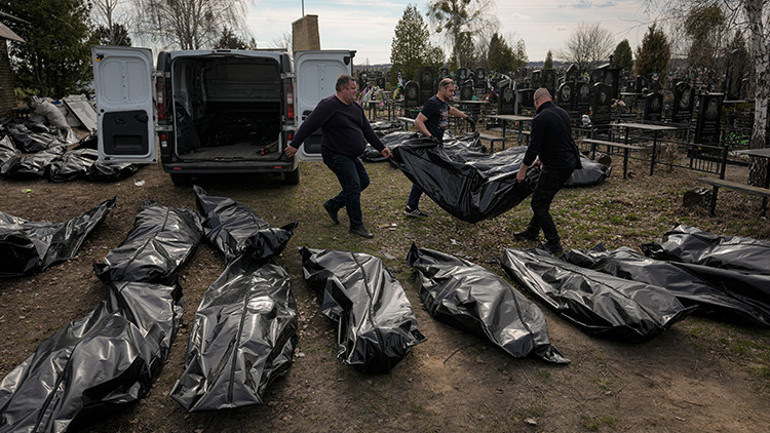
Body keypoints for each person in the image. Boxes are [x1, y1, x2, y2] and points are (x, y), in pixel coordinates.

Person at [285, 74, 391, 239]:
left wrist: (381, 147)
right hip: (335, 154)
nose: (355, 92)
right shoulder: (328, 106)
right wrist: (294, 144)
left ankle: (333, 205)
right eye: (353, 89)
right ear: (343, 89)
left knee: (363, 181)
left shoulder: (355, 107)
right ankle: (356, 225)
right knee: (353, 187)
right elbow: (309, 124)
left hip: (351, 154)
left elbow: (367, 130)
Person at [514, 87, 578, 255]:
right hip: (568, 162)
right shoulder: (562, 113)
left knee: (538, 203)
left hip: (556, 165)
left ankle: (554, 243)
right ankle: (532, 231)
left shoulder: (540, 118)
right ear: (550, 97)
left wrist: (522, 170)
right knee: (543, 198)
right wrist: (540, 159)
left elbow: (533, 147)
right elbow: (557, 138)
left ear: (536, 101)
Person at [404, 77, 475, 217]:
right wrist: (430, 137)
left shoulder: (443, 103)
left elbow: (452, 110)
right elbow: (418, 122)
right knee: (447, 171)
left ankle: (411, 206)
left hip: (437, 144)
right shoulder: (432, 103)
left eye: (453, 91)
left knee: (424, 176)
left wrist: (467, 118)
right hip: (430, 145)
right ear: (442, 88)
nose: (452, 94)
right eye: (450, 91)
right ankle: (457, 203)